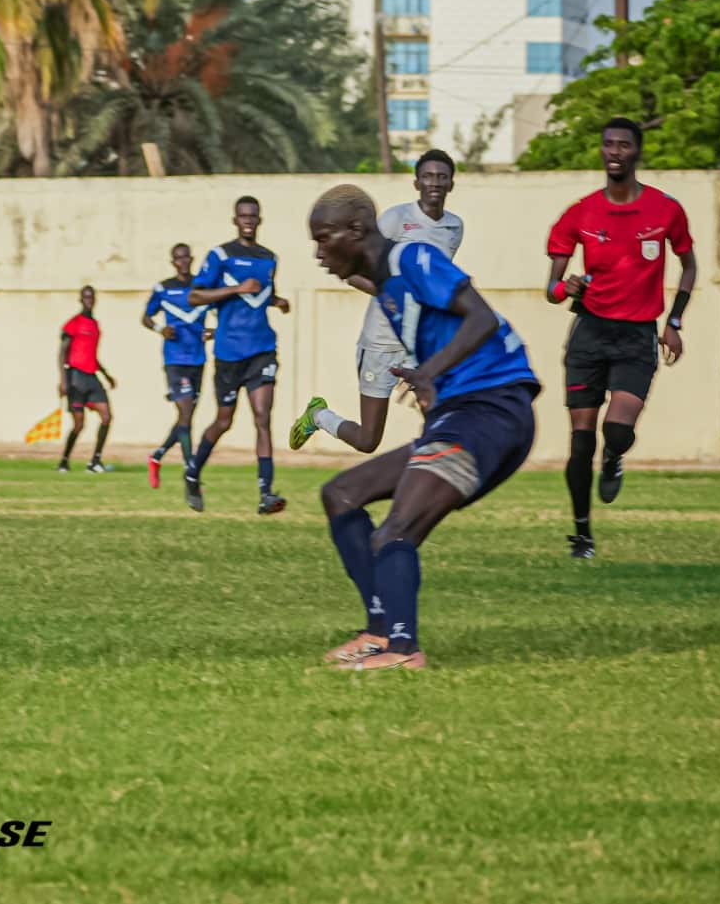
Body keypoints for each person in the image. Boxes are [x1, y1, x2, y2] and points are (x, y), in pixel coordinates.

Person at [309, 184, 540, 670]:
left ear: (356, 230)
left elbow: (480, 317)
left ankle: (403, 648)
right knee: (342, 495)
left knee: (396, 530)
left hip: (491, 413)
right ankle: (378, 632)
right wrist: (433, 386)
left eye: (324, 238)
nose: (319, 253)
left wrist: (430, 372)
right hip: (464, 414)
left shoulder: (413, 257)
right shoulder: (389, 286)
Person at [544, 117, 695, 560]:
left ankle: (615, 458)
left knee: (617, 430)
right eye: (608, 144)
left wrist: (676, 321)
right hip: (589, 332)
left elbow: (689, 266)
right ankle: (582, 535)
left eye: (623, 145)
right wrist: (564, 287)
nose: (614, 151)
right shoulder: (580, 213)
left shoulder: (666, 210)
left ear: (636, 152)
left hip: (637, 335)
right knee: (580, 441)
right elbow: (551, 290)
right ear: (601, 151)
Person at [290, 149, 465, 454]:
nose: (434, 183)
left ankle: (427, 486)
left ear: (451, 184)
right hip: (381, 341)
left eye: (441, 177)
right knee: (368, 441)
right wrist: (395, 295)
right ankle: (318, 415)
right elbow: (354, 270)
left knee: (438, 425)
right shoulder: (397, 219)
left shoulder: (454, 227)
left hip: (420, 341)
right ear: (416, 182)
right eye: (427, 176)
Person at [183, 197, 290, 514]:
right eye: (243, 216)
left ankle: (266, 493)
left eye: (253, 216)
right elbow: (194, 296)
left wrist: (278, 301)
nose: (248, 220)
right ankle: (192, 471)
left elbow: (260, 295)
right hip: (229, 353)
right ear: (235, 220)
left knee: (262, 417)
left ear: (260, 220)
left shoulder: (269, 258)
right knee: (224, 421)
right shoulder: (220, 255)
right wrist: (234, 290)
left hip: (262, 349)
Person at [141, 244, 212, 489]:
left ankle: (157, 456)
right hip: (175, 360)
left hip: (198, 360)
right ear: (173, 262)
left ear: (191, 259)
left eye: (186, 257)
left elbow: (221, 312)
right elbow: (146, 317)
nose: (182, 261)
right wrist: (161, 329)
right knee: (185, 414)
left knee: (186, 417)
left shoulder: (202, 287)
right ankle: (189, 468)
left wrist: (213, 332)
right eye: (177, 258)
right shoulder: (164, 288)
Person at [58, 285, 118, 475]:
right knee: (79, 424)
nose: (89, 300)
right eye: (85, 297)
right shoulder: (73, 323)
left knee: (107, 417)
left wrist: (106, 375)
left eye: (91, 297)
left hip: (92, 378)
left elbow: (92, 355)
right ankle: (64, 461)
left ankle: (95, 461)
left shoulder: (95, 325)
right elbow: (62, 353)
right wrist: (63, 380)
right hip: (75, 378)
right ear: (80, 299)